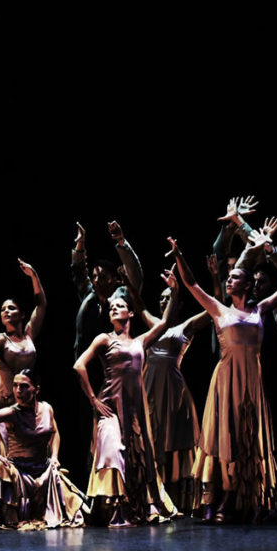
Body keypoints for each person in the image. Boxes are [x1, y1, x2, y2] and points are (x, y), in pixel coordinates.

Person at [169, 236, 277, 524]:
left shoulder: (259, 310)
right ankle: (218, 499)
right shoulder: (220, 310)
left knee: (248, 438)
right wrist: (179, 253)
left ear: (247, 285)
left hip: (252, 383)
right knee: (225, 437)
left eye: (235, 278)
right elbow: (192, 284)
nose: (229, 280)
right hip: (226, 382)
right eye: (228, 278)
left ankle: (248, 499)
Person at [73, 267, 182, 527]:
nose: (113, 308)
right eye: (111, 306)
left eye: (119, 305)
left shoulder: (140, 342)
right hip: (109, 406)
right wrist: (93, 400)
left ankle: (132, 505)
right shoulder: (104, 338)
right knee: (112, 451)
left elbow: (165, 324)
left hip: (132, 409)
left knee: (135, 456)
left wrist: (176, 291)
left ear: (130, 313)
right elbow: (79, 365)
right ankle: (113, 509)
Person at [0, 370, 86, 529]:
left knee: (75, 509)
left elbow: (54, 432)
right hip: (20, 472)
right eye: (15, 386)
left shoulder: (47, 408)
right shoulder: (12, 412)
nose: (18, 391)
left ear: (36, 389)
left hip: (44, 470)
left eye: (24, 386)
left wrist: (55, 456)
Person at [137, 277, 211, 514]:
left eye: (169, 297)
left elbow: (211, 310)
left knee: (174, 438)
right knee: (152, 435)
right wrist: (128, 279)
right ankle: (153, 497)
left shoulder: (185, 326)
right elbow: (138, 305)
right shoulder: (154, 325)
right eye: (161, 298)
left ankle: (178, 498)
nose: (163, 301)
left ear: (178, 303)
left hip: (172, 388)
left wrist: (215, 286)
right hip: (149, 385)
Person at [0, 259, 45, 472]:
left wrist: (34, 276)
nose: (5, 311)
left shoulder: (29, 334)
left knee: (28, 452)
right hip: (4, 403)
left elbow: (41, 305)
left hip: (27, 403)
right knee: (2, 455)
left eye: (11, 308)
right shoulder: (0, 340)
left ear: (22, 314)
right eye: (3, 309)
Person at [71, 220, 144, 360]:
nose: (97, 280)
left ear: (115, 279)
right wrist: (80, 244)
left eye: (102, 277)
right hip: (88, 367)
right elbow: (79, 272)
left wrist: (121, 241)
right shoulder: (89, 298)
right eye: (94, 276)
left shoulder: (123, 298)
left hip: (117, 367)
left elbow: (135, 274)